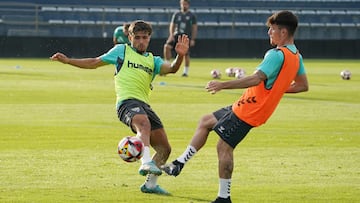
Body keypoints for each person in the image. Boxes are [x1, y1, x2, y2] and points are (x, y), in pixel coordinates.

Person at [161, 10, 309, 203]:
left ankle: (224, 197)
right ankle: (179, 164)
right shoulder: (297, 56)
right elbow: (302, 85)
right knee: (206, 121)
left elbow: (256, 78)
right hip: (246, 104)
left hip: (250, 110)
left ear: (282, 32)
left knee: (224, 147)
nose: (269, 33)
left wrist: (222, 84)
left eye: (271, 30)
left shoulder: (276, 54)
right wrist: (276, 90)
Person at [50, 20, 189, 195]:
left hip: (144, 105)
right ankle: (145, 160)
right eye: (136, 37)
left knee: (164, 149)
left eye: (144, 38)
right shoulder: (121, 51)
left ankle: (151, 185)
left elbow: (173, 69)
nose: (140, 41)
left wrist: (180, 56)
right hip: (126, 103)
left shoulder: (153, 60)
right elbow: (94, 62)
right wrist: (68, 61)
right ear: (129, 37)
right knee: (143, 125)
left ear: (149, 38)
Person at [163, 0, 197, 77]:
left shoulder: (192, 15)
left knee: (186, 54)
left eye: (185, 4)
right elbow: (172, 25)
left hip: (186, 36)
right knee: (167, 47)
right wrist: (171, 35)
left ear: (188, 5)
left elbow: (194, 28)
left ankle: (185, 72)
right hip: (176, 35)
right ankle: (167, 66)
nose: (184, 6)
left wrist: (193, 39)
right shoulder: (177, 14)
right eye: (182, 4)